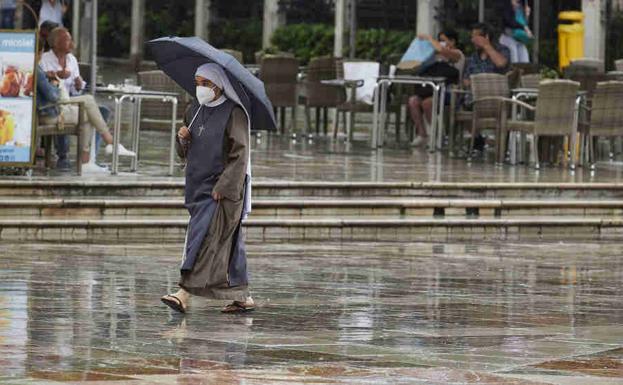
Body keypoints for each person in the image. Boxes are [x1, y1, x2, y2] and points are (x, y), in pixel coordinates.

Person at [161, 63, 255, 314]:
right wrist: (182, 139)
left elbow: (240, 154)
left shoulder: (234, 113)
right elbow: (185, 152)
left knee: (204, 239)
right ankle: (242, 294)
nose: (200, 88)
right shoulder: (194, 109)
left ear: (218, 85)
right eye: (197, 83)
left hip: (221, 189)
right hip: (198, 185)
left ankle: (183, 293)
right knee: (229, 241)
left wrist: (224, 185)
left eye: (205, 83)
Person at [38, 27, 134, 171]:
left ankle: (87, 160)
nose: (72, 43)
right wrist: (57, 77)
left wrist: (78, 83)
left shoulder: (72, 60)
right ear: (56, 43)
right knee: (88, 103)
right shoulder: (44, 61)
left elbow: (78, 87)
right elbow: (48, 90)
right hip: (55, 105)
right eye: (67, 40)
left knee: (100, 111)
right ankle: (107, 145)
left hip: (71, 98)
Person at [407, 30, 464, 147]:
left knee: (428, 103)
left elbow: (444, 51)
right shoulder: (435, 56)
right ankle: (422, 134)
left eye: (443, 41)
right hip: (430, 89)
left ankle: (438, 135)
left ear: (452, 41)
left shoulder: (458, 54)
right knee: (413, 101)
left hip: (449, 92)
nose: (440, 44)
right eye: (439, 41)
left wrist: (428, 38)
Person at [463, 23, 511, 152]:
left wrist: (487, 46)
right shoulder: (474, 57)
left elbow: (501, 63)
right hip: (475, 95)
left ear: (487, 37)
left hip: (497, 96)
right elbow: (466, 79)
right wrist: (476, 84)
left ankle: (498, 142)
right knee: (460, 101)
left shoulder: (502, 50)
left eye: (476, 37)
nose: (472, 40)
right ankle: (477, 137)